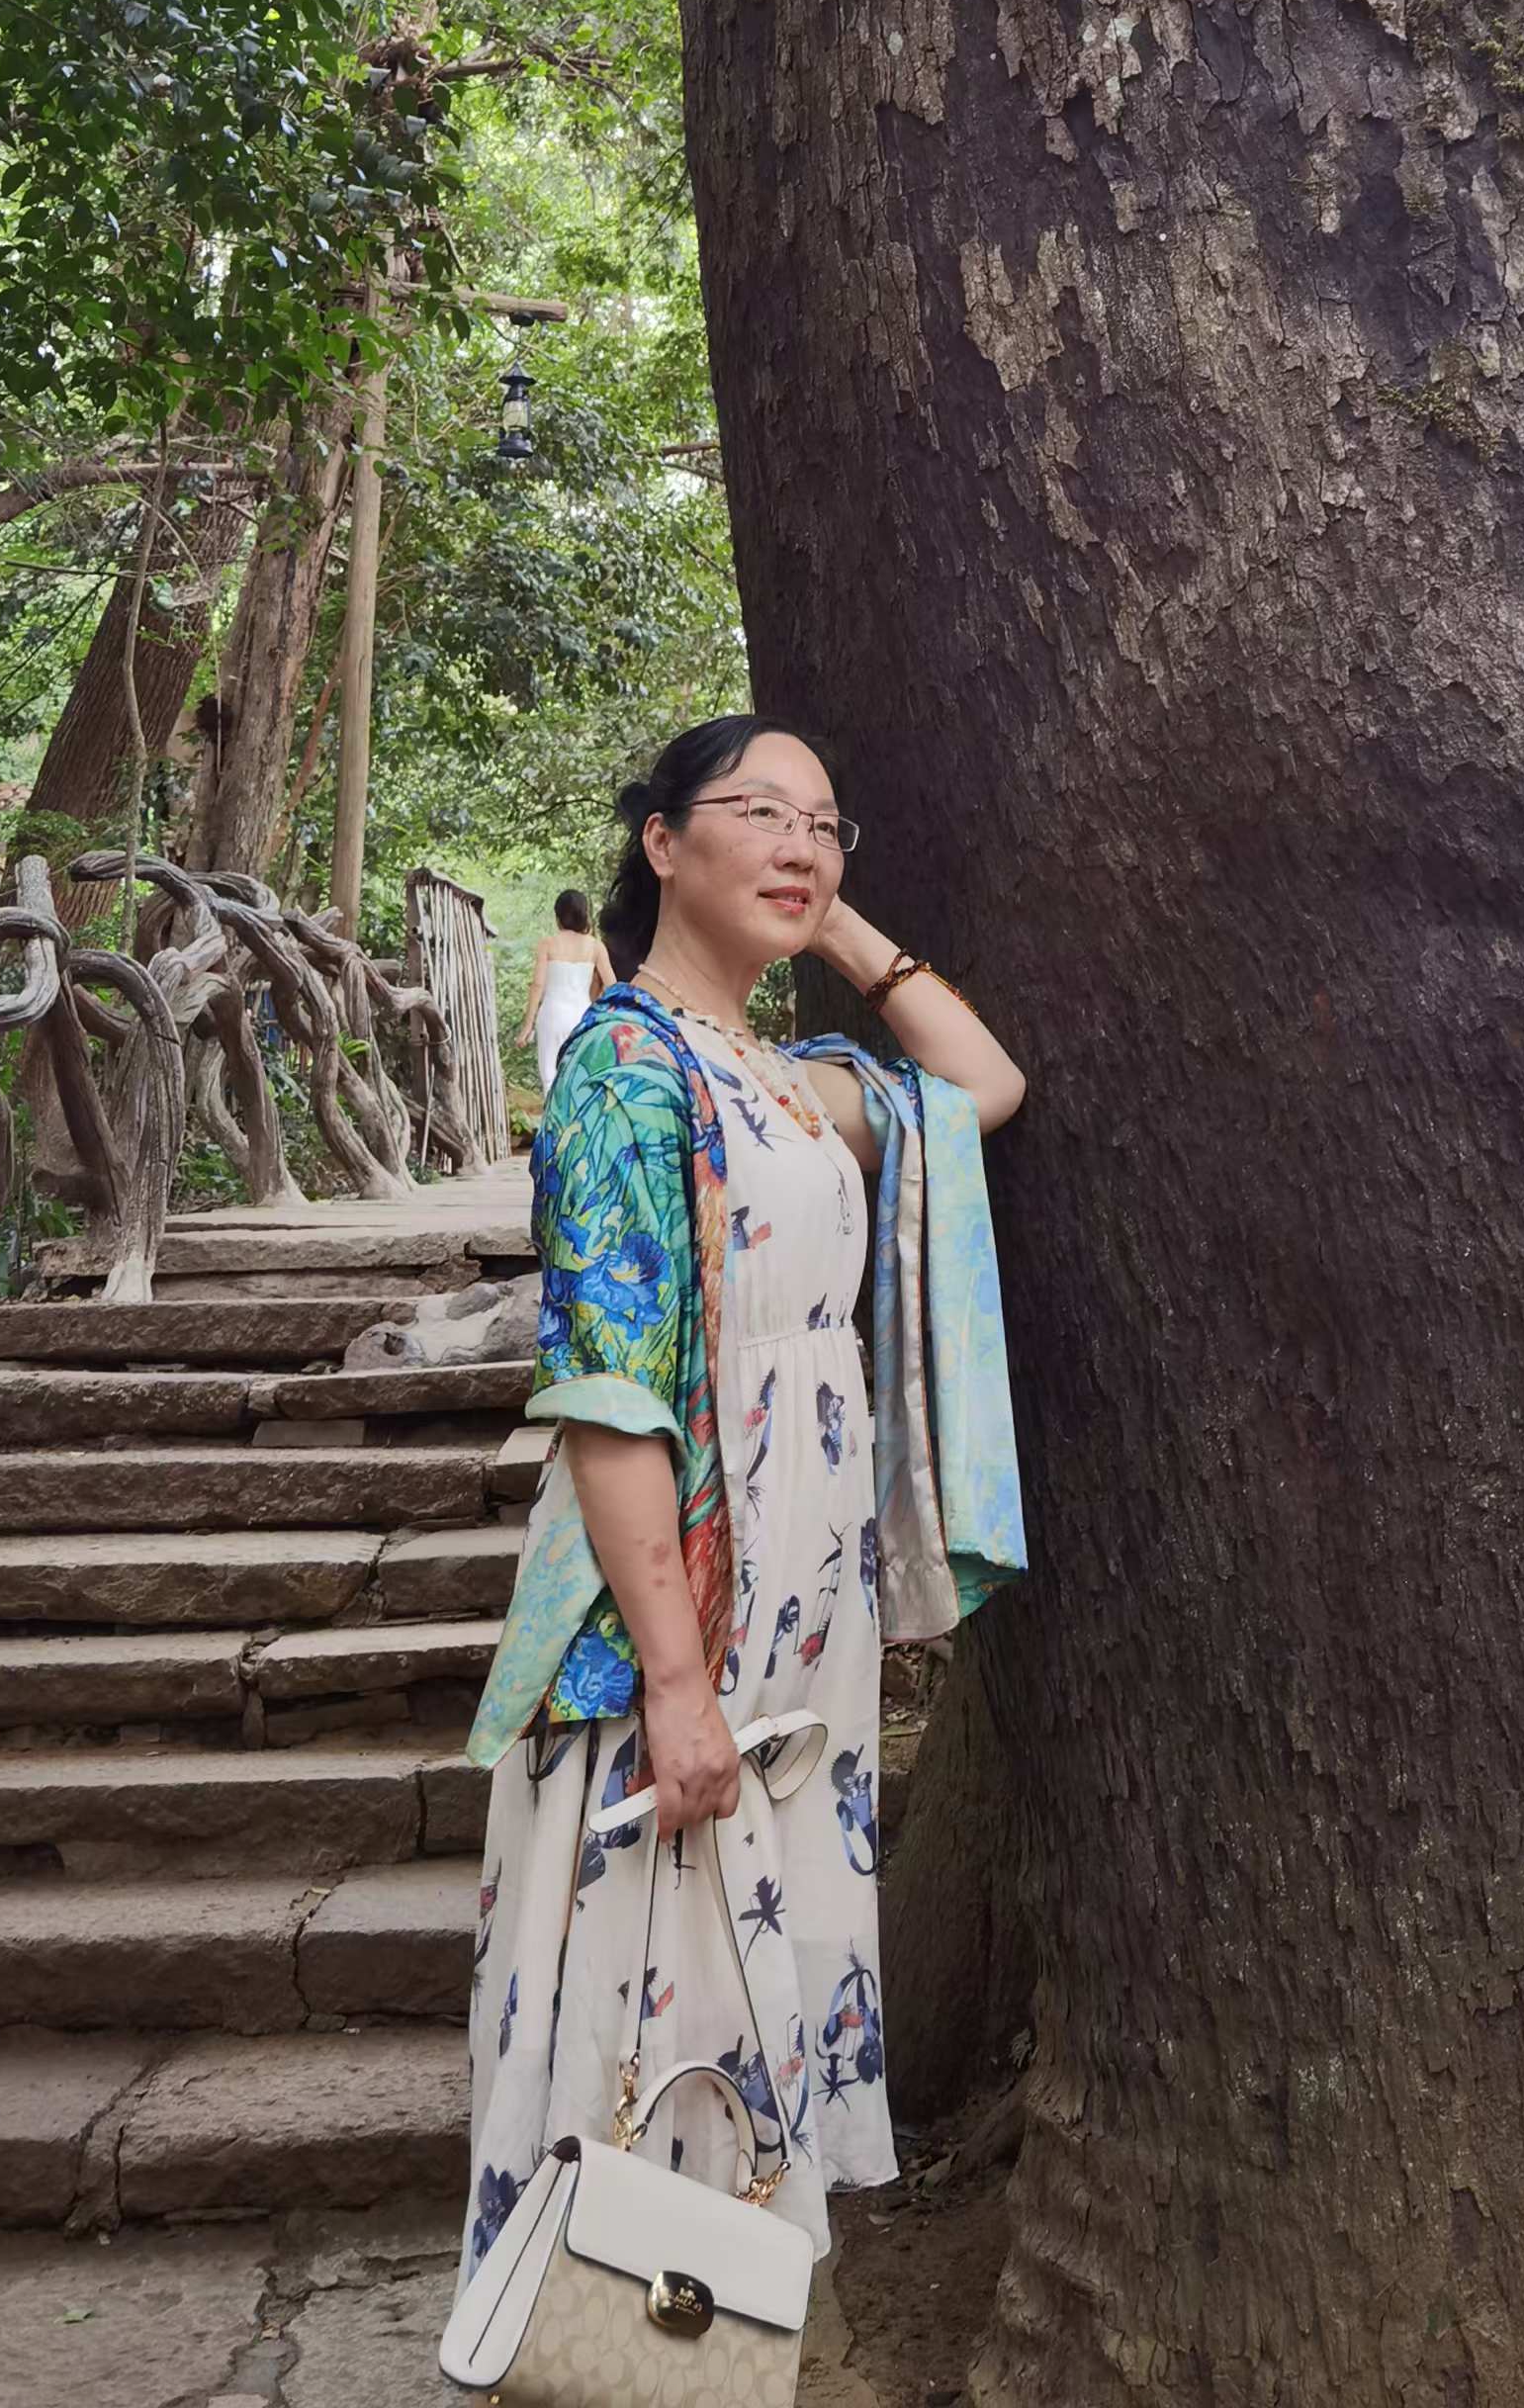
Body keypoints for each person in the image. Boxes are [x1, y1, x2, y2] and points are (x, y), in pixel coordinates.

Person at [458, 715, 1028, 2289]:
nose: (799, 842)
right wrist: (676, 1684)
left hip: (804, 1617)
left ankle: (719, 2352)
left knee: (750, 2013)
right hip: (689, 1624)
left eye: (826, 824)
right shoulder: (627, 1077)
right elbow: (614, 1403)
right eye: (758, 815)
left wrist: (826, 916)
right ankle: (607, 2369)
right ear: (659, 842)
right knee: (651, 2016)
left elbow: (984, 1088)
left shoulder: (784, 1085)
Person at [511, 886, 607, 1100]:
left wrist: (527, 1026)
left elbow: (537, 985)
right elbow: (612, 986)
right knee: (581, 1077)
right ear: (584, 914)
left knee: (550, 1077)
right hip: (583, 1016)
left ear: (558, 917)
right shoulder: (596, 947)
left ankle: (554, 1129)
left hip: (552, 1016)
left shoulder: (548, 944)